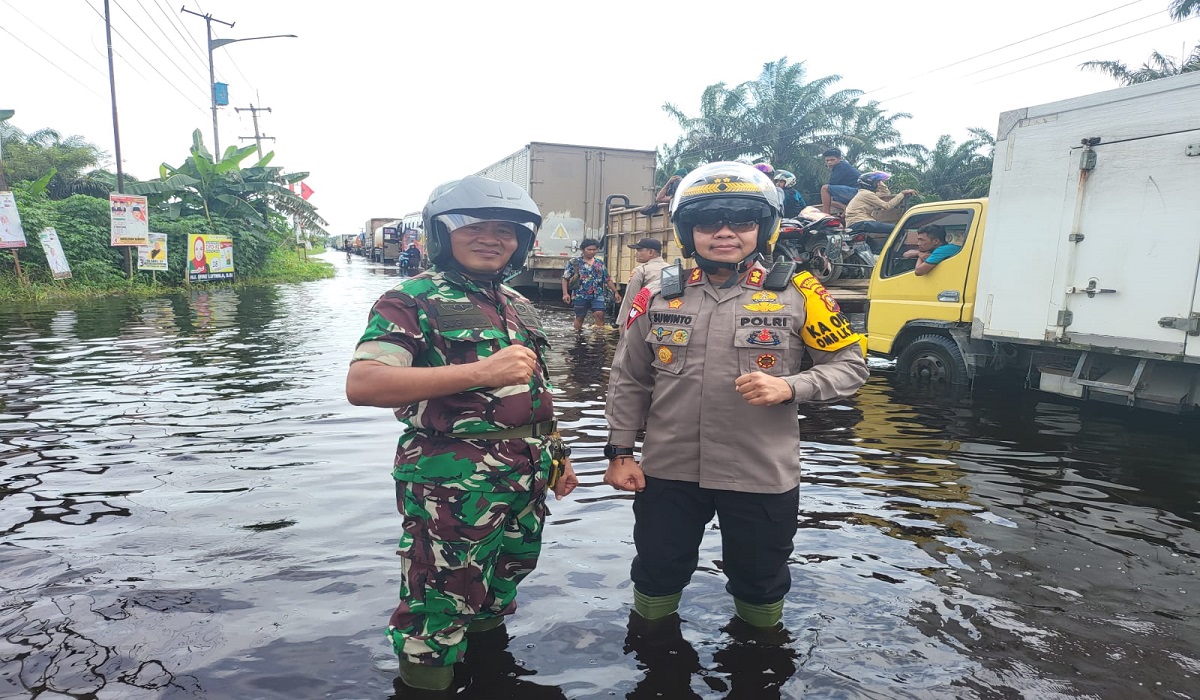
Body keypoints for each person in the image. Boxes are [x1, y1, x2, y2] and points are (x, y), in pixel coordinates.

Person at [603, 161, 869, 633]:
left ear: (762, 228)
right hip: (669, 469)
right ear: (688, 231)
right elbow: (629, 378)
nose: (724, 233)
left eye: (742, 221)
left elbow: (851, 366)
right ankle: (651, 652)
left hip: (760, 471)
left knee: (760, 579)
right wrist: (621, 453)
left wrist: (791, 386)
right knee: (657, 570)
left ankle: (760, 657)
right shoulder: (657, 295)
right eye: (708, 222)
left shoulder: (800, 292)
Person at [345, 175, 579, 693]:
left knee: (502, 582)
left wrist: (559, 456)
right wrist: (478, 372)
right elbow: (364, 383)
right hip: (452, 483)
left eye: (505, 231)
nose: (491, 238)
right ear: (442, 233)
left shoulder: (516, 303)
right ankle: (426, 683)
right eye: (474, 227)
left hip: (526, 474)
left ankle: (490, 677)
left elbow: (534, 389)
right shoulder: (410, 299)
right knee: (440, 599)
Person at [561, 238, 622, 330]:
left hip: (597, 294)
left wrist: (615, 292)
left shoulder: (599, 263)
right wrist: (565, 294)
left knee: (599, 314)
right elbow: (565, 278)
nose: (592, 252)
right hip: (580, 295)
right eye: (589, 249)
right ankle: (578, 335)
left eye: (594, 250)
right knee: (580, 317)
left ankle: (598, 336)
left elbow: (607, 279)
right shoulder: (574, 262)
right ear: (583, 250)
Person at [616, 238, 669, 334]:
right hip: (667, 316)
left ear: (651, 252)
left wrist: (622, 322)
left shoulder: (641, 270)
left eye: (639, 250)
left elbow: (631, 299)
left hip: (645, 317)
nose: (636, 254)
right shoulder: (671, 268)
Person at [844, 172, 917, 235]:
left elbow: (885, 193)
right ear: (870, 184)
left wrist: (879, 181)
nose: (877, 185)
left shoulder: (865, 193)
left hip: (858, 224)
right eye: (876, 183)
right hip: (860, 223)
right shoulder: (866, 194)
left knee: (874, 246)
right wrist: (902, 194)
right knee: (898, 229)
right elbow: (887, 206)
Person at [819, 148, 862, 215]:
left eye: (832, 160)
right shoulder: (841, 166)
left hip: (857, 191)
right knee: (829, 200)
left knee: (824, 188)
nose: (829, 162)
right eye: (827, 160)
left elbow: (830, 185)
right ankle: (845, 208)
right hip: (854, 192)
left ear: (839, 159)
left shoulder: (841, 166)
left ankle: (826, 215)